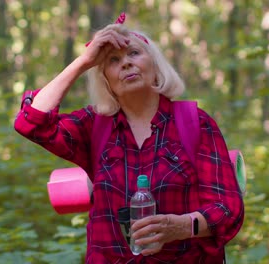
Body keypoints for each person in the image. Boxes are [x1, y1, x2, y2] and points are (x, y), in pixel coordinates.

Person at [14, 13, 244, 264]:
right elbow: (31, 122)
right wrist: (84, 62)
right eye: (113, 60)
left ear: (155, 66)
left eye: (134, 53)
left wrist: (180, 226)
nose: (125, 63)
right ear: (107, 81)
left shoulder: (194, 123)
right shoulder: (93, 127)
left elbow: (227, 209)